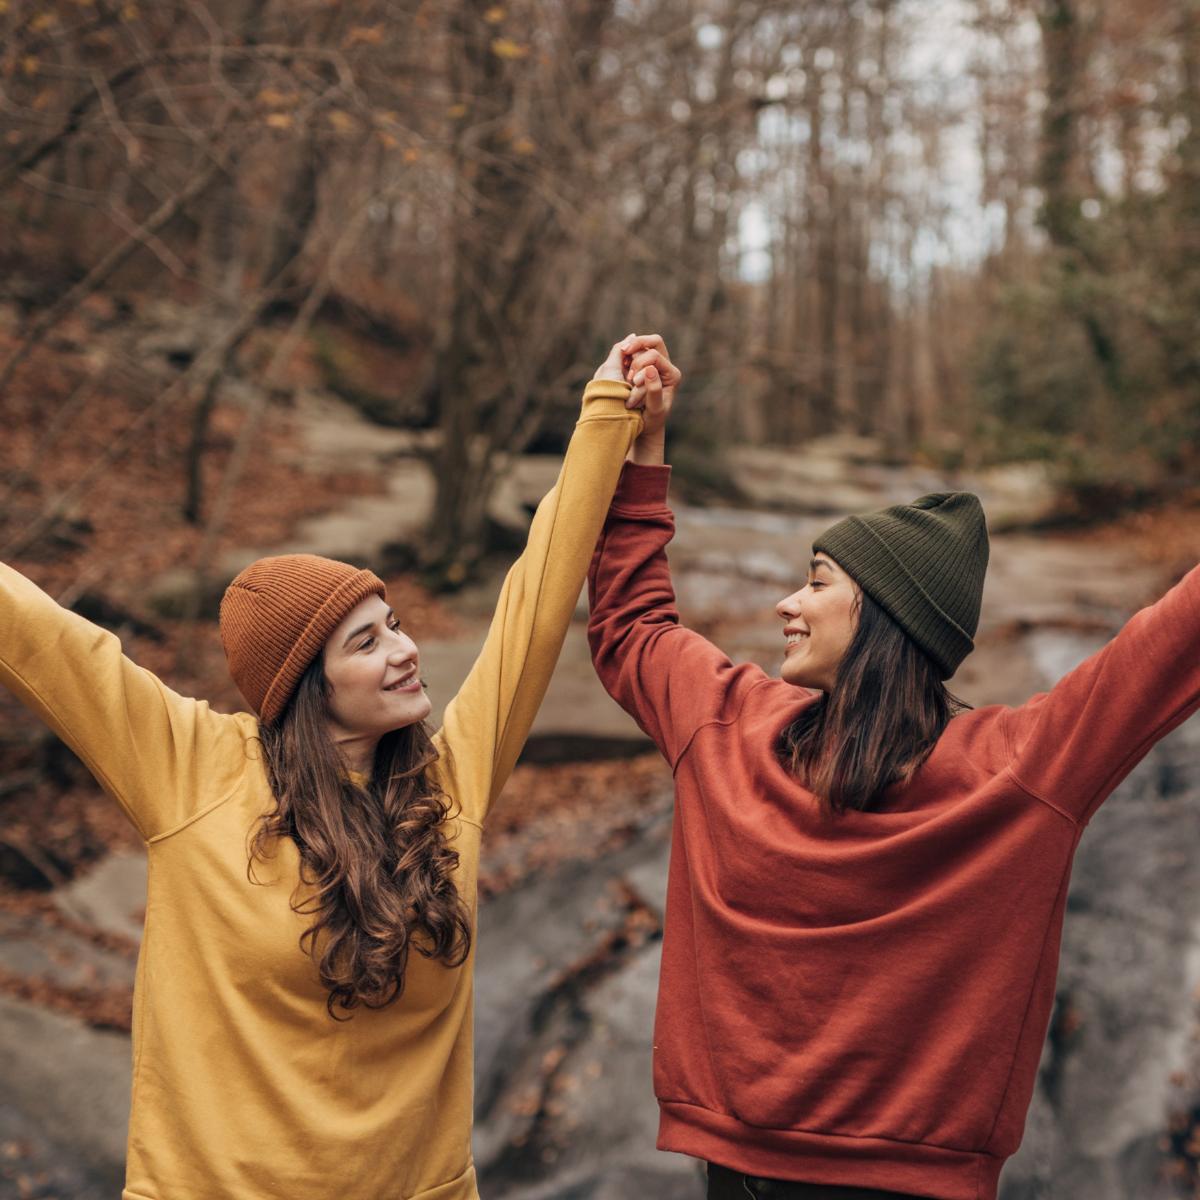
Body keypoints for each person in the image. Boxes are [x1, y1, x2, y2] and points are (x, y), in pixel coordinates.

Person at [0, 334, 671, 1200]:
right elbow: (47, 642)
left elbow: (536, 604)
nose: (405, 650)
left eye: (395, 624)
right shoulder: (192, 771)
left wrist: (607, 414)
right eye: (366, 642)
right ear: (305, 688)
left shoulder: (447, 783)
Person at [587, 338, 1200, 1200]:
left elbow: (1166, 644)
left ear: (882, 614)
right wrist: (641, 447)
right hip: (759, 1176)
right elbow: (631, 626)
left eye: (817, 581)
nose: (787, 602)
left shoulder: (738, 724)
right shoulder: (1004, 765)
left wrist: (645, 462)